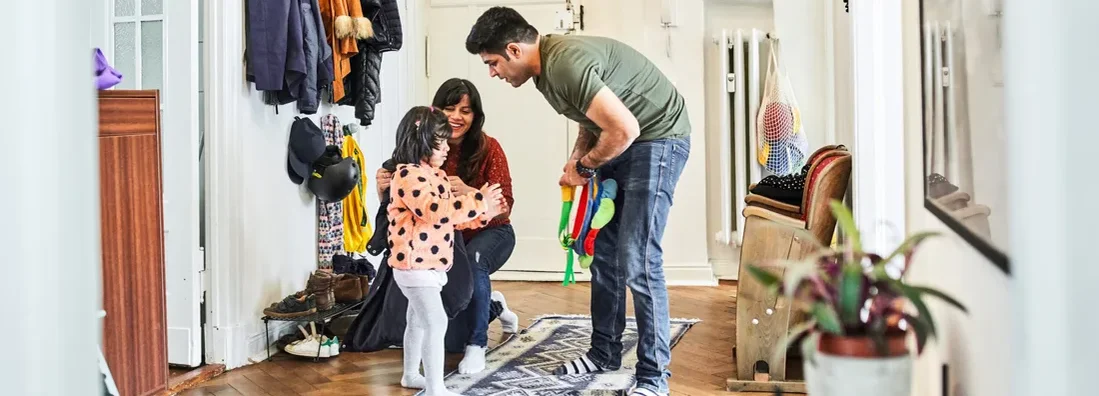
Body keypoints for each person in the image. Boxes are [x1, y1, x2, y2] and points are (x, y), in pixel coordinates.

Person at [465, 7, 691, 396]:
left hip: (658, 139)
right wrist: (576, 158)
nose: (492, 73)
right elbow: (593, 120)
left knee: (639, 258)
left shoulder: (564, 64)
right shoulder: (546, 72)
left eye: (493, 63)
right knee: (605, 255)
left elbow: (624, 128)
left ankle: (654, 378)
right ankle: (604, 354)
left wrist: (584, 170)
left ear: (515, 50)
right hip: (628, 140)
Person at [377, 78, 520, 374]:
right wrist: (383, 191)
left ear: (475, 115)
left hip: (489, 232)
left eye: (465, 110)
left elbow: (502, 207)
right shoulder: (417, 158)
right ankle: (493, 305)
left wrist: (470, 192)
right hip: (441, 244)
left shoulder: (488, 148)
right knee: (447, 338)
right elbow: (405, 209)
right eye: (449, 108)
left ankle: (478, 344)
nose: (457, 116)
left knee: (474, 264)